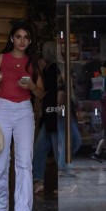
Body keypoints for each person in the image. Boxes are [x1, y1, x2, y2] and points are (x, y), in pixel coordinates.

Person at [0, 22, 44, 211]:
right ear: (11, 38)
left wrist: (31, 86)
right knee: (0, 161)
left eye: (26, 37)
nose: (22, 41)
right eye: (18, 36)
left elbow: (41, 94)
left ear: (29, 41)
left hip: (24, 111)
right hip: (1, 109)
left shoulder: (33, 63)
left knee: (24, 162)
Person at [33, 41, 75, 194]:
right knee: (43, 148)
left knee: (56, 148)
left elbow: (56, 91)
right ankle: (40, 180)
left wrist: (56, 109)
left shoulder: (52, 69)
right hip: (55, 113)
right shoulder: (59, 67)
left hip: (54, 113)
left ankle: (64, 180)